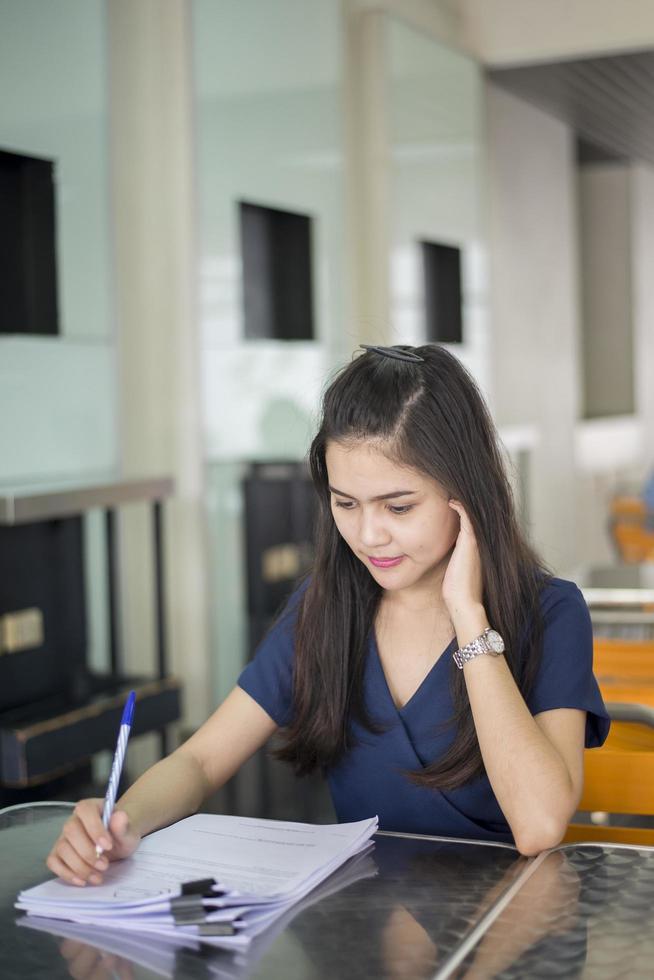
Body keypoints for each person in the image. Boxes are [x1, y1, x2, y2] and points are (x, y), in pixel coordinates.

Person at [46, 344, 609, 887]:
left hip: (505, 930)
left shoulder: (551, 613)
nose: (368, 535)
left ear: (467, 492)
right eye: (346, 503)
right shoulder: (326, 606)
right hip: (361, 932)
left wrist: (468, 613)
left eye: (399, 506)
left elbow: (539, 826)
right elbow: (199, 760)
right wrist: (122, 821)